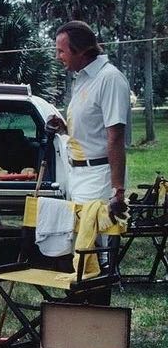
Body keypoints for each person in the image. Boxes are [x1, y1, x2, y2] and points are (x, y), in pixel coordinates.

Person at [46, 20, 130, 213]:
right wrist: (64, 128)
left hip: (99, 177)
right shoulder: (82, 78)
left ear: (81, 51)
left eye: (61, 51)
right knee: (80, 240)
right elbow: (93, 129)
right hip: (78, 174)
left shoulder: (109, 79)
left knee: (91, 242)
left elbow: (115, 136)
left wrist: (117, 191)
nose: (57, 56)